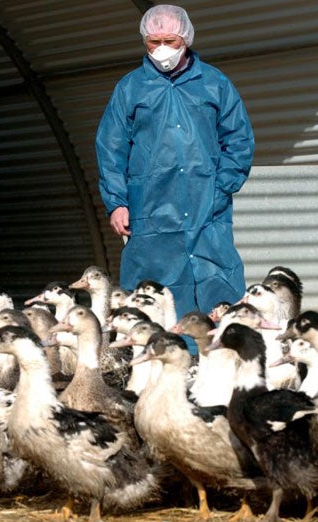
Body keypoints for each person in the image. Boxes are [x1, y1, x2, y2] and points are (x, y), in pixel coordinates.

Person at [96, 4, 254, 322]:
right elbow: (110, 148)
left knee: (216, 277)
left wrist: (220, 187)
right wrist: (117, 203)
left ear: (186, 38)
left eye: (170, 40)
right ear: (144, 41)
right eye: (154, 42)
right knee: (155, 285)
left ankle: (221, 355)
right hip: (149, 207)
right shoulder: (130, 88)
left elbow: (239, 140)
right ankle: (163, 359)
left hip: (208, 205)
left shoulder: (214, 83)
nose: (162, 49)